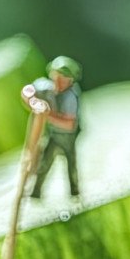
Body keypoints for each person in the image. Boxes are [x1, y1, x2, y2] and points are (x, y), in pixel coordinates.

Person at [21, 56, 82, 198]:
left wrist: (48, 115)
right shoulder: (47, 88)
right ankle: (35, 193)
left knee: (71, 166)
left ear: (71, 80)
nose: (58, 82)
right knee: (44, 165)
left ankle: (75, 193)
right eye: (56, 77)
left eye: (63, 79)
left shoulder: (70, 97)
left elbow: (69, 124)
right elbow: (27, 90)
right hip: (54, 136)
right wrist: (33, 101)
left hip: (67, 138)